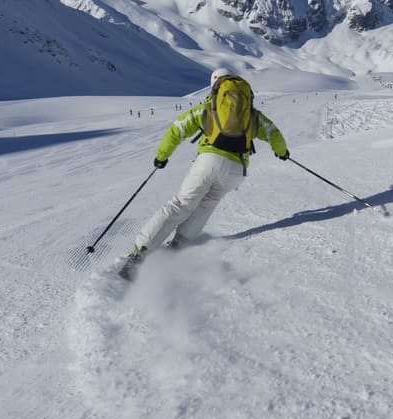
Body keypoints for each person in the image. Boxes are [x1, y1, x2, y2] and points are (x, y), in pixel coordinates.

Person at [120, 68, 289, 279]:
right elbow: (273, 132)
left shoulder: (207, 109)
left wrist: (162, 156)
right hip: (236, 170)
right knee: (207, 203)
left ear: (215, 87)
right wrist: (282, 152)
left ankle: (140, 253)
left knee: (181, 204)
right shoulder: (251, 114)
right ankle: (178, 247)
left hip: (209, 161)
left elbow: (177, 129)